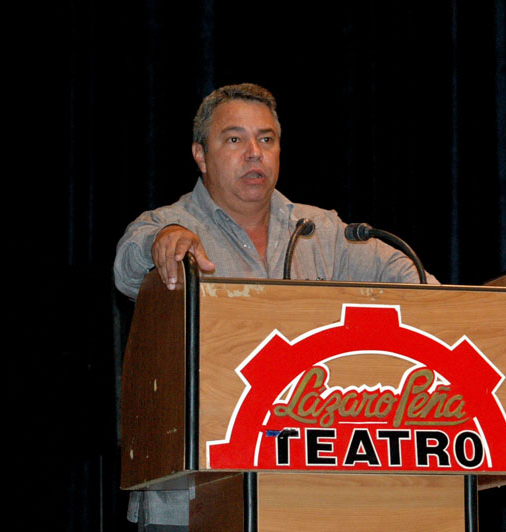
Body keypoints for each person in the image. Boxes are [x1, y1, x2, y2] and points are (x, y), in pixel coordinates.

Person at [114, 83, 438, 530]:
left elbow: (417, 283)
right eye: (234, 139)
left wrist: (440, 308)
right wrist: (162, 241)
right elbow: (128, 267)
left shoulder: (319, 230)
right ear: (200, 155)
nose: (254, 153)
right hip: (189, 498)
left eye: (266, 139)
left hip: (305, 490)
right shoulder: (171, 223)